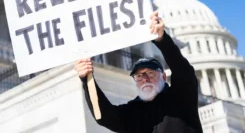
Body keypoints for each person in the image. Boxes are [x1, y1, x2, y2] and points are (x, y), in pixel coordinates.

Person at [74, 11, 203, 133]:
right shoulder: (132, 112)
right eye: (139, 76)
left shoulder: (181, 97)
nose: (145, 79)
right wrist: (86, 79)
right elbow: (102, 116)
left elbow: (183, 71)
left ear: (163, 77)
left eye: (150, 73)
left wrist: (162, 40)